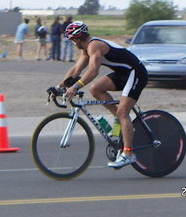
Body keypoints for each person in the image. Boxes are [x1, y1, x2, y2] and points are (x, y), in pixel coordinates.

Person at [56, 21, 148, 168]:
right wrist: (59, 86)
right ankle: (122, 121)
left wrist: (75, 86)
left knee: (124, 112)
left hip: (136, 73)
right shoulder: (86, 50)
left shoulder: (94, 46)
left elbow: (93, 71)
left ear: (78, 38)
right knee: (95, 89)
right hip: (123, 74)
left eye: (72, 40)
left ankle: (128, 153)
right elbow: (76, 70)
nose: (72, 43)